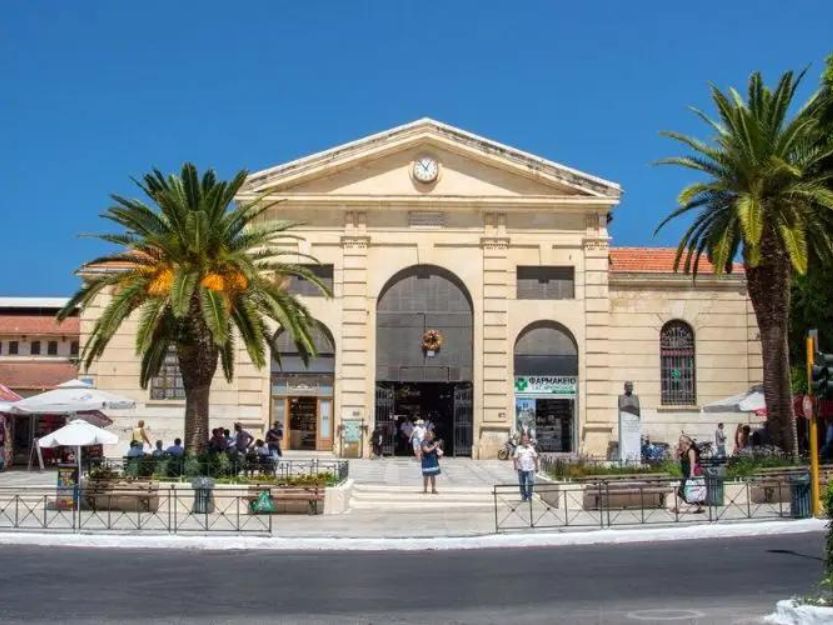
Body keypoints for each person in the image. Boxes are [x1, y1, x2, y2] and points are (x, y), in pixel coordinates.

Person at [674, 435, 704, 514]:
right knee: (685, 491)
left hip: (690, 474)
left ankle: (677, 508)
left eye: (681, 441)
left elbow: (692, 463)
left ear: (685, 442)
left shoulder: (691, 451)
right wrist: (676, 450)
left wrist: (692, 473)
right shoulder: (683, 452)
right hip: (685, 474)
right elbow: (675, 460)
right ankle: (699, 507)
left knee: (683, 490)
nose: (680, 443)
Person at [513, 433, 539, 501]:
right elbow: (515, 457)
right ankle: (524, 495)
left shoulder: (531, 448)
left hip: (530, 468)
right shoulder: (518, 448)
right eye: (525, 440)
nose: (526, 441)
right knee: (522, 483)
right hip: (521, 468)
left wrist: (536, 467)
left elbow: (535, 457)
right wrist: (515, 466)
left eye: (527, 440)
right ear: (522, 441)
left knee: (531, 481)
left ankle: (529, 495)